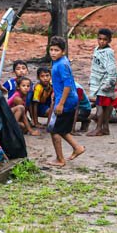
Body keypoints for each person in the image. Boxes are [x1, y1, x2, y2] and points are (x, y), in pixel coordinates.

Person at [47, 36, 85, 166]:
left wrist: (61, 103)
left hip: (66, 101)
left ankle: (60, 159)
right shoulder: (59, 61)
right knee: (61, 129)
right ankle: (77, 147)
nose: (53, 52)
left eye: (56, 50)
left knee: (54, 130)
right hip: (65, 99)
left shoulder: (62, 64)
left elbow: (68, 84)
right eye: (51, 49)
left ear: (63, 51)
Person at [88, 28, 117, 136]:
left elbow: (112, 69)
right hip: (99, 83)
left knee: (100, 107)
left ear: (109, 40)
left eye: (105, 40)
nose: (101, 41)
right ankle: (105, 128)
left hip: (104, 84)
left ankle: (98, 128)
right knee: (105, 106)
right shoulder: (97, 49)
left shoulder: (108, 53)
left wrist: (108, 83)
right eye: (99, 39)